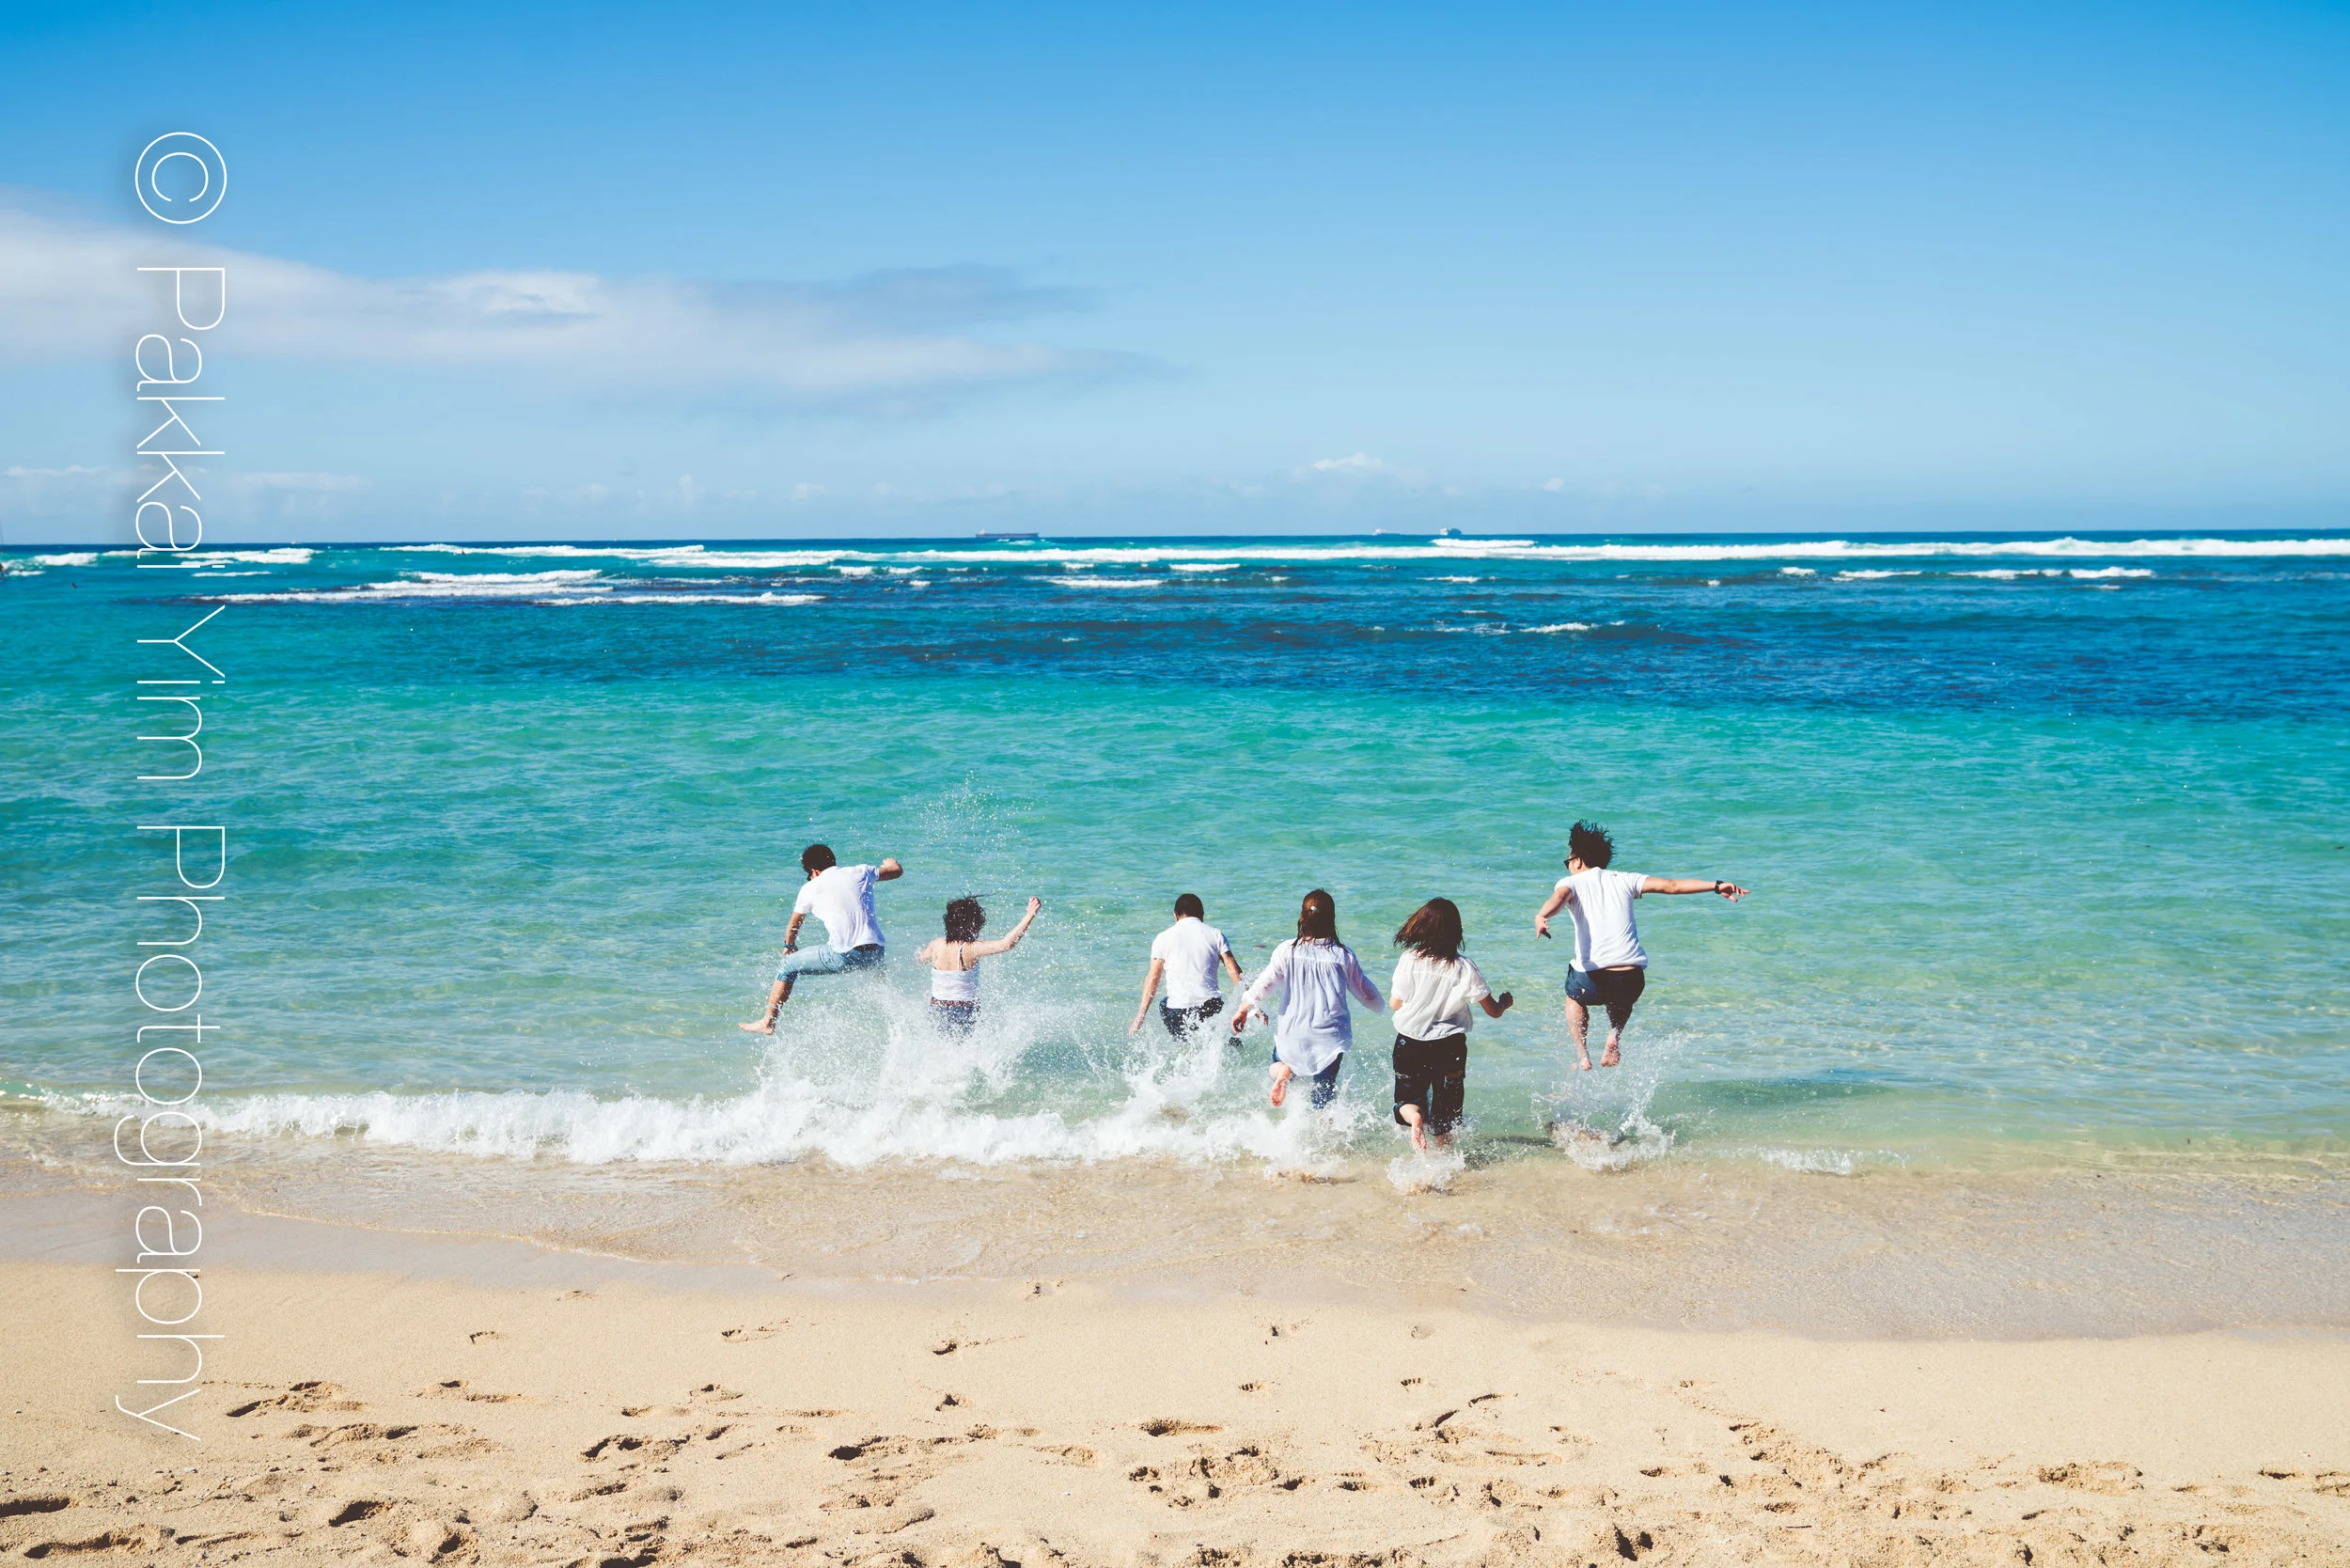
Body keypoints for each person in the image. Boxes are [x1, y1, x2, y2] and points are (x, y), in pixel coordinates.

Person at [1533, 820, 1747, 1070]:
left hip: (1592, 979)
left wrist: (1542, 915)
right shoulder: (1626, 879)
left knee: (1573, 998)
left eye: (1568, 862)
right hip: (1632, 977)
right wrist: (1716, 885)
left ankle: (1582, 1054)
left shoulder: (1571, 883)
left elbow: (1559, 898)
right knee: (1621, 998)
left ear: (1577, 861)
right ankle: (1614, 1034)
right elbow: (1672, 886)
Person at [1230, 889, 1385, 1109]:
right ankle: (1321, 1123)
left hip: (1291, 1036)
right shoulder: (1343, 956)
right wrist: (1382, 1007)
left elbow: (1264, 985)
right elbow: (1368, 995)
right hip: (1328, 1040)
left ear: (1302, 918)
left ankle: (1283, 1071)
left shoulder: (1286, 951)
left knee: (1276, 1065)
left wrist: (1243, 1008)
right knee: (1323, 1094)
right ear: (1332, 919)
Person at [1388, 898, 1513, 1152]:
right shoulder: (1464, 967)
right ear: (1456, 931)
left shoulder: (1409, 959)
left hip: (1409, 1041)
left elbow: (1395, 1004)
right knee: (1446, 1109)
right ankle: (1445, 1158)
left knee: (1407, 1099)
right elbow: (1493, 1012)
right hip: (1449, 1045)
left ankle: (1415, 1117)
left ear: (1421, 926)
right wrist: (1504, 1003)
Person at [739, 843, 903, 1034]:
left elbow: (793, 926)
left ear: (814, 871)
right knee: (878, 979)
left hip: (844, 955)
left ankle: (768, 1021)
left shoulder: (810, 888)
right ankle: (895, 1012)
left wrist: (789, 946)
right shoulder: (860, 872)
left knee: (787, 966)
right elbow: (896, 871)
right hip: (876, 952)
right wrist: (890, 861)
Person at [915, 895, 1042, 1033]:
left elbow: (921, 959)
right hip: (963, 1010)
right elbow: (1006, 944)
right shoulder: (970, 948)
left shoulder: (935, 945)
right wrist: (1029, 915)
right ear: (973, 924)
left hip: (936, 1007)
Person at [1128, 893, 1246, 1041]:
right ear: (1202, 915)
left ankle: (1183, 1045)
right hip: (1211, 1007)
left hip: (1178, 1012)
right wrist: (1251, 1001)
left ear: (1175, 916)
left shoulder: (1162, 938)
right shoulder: (1215, 934)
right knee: (1228, 1039)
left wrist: (1141, 1015)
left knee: (1165, 1004)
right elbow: (1234, 971)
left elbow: (1153, 978)